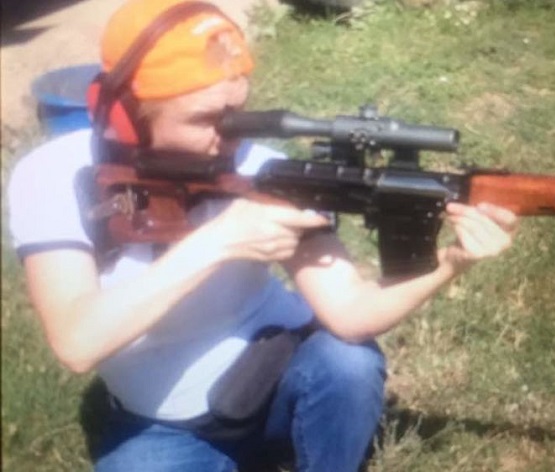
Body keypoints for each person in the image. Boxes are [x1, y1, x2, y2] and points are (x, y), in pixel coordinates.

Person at [7, 0, 519, 470]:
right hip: (160, 422)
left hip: (276, 372)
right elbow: (77, 343)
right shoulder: (53, 175)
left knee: (349, 364)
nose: (230, 136)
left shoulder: (262, 168)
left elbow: (352, 314)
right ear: (126, 116)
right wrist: (219, 241)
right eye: (206, 119)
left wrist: (451, 263)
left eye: (238, 112)